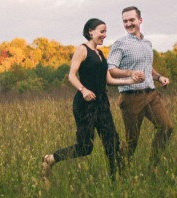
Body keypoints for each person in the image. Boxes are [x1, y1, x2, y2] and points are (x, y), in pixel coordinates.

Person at [42, 18, 142, 181]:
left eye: (105, 32)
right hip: (85, 105)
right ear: (90, 31)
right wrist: (83, 90)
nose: (104, 35)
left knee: (112, 144)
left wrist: (131, 80)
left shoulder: (101, 54)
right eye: (101, 31)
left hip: (102, 103)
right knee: (85, 147)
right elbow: (71, 76)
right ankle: (50, 159)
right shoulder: (82, 50)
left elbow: (109, 80)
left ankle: (114, 183)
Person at [107, 6, 173, 168]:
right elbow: (112, 70)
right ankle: (119, 174)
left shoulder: (147, 43)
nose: (128, 23)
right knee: (131, 142)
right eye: (125, 21)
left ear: (140, 20)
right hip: (131, 97)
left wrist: (159, 77)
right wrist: (130, 73)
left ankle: (153, 167)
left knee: (166, 128)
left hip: (151, 94)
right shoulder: (120, 44)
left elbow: (147, 66)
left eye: (131, 20)